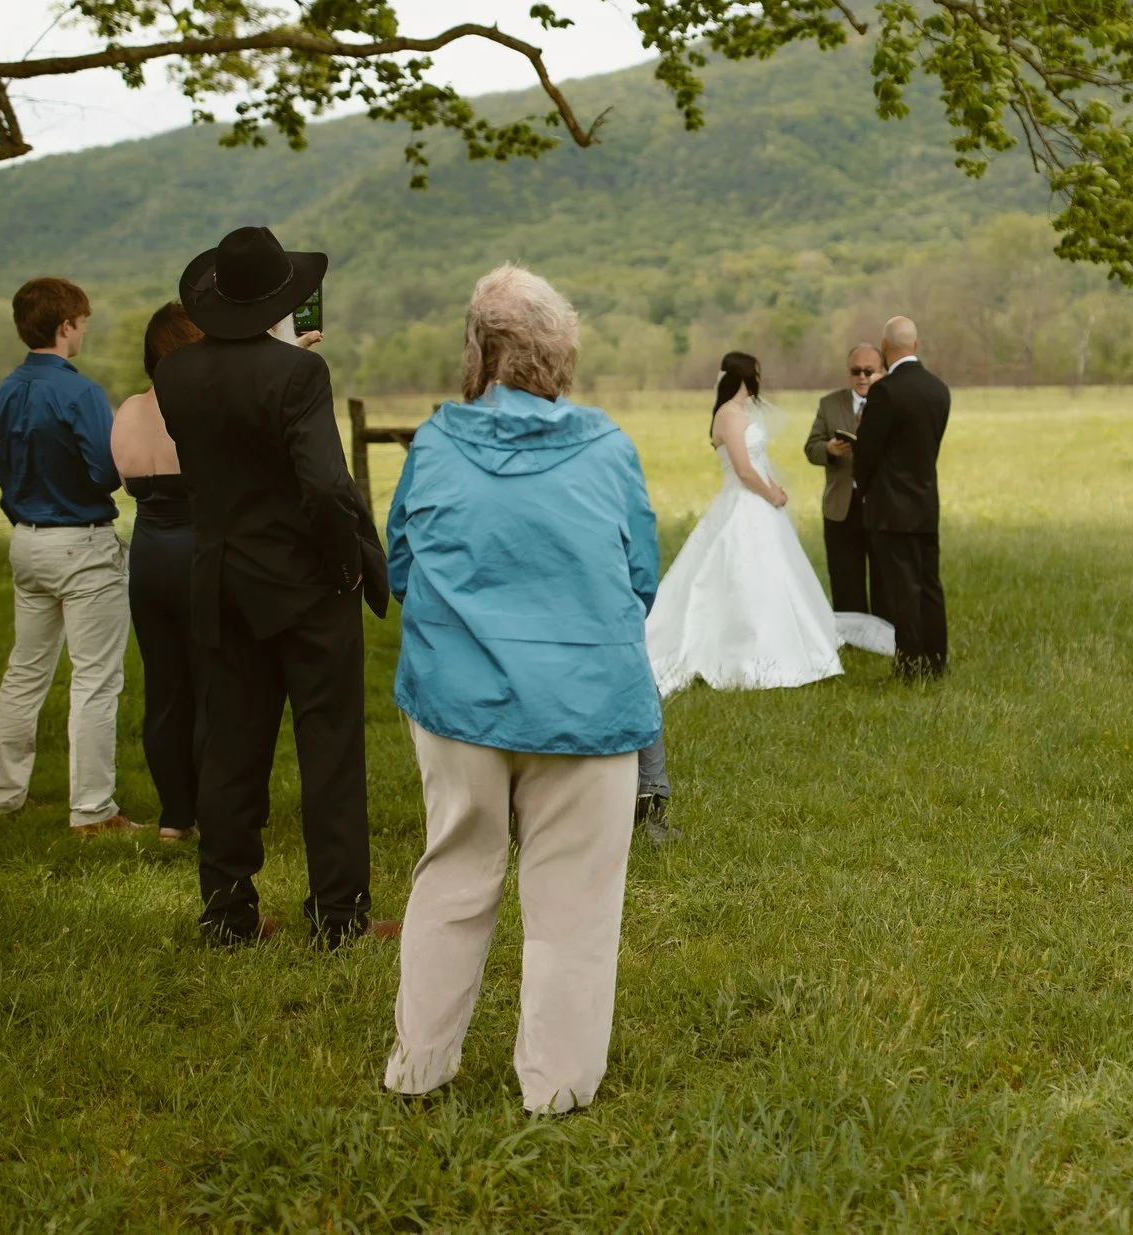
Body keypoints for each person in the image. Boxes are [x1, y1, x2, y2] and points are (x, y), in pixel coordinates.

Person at [382, 265, 660, 1111]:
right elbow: (639, 576)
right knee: (574, 904)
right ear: (560, 353)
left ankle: (419, 1069)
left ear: (478, 352)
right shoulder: (609, 449)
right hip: (588, 704)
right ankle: (558, 1088)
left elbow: (400, 565)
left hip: (460, 703)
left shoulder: (433, 442)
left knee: (453, 878)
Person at [154, 226, 390, 947]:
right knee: (329, 752)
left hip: (220, 579)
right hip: (304, 584)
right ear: (282, 301)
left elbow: (228, 449)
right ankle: (340, 916)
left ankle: (227, 914)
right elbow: (322, 483)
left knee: (230, 752)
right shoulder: (298, 375)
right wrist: (344, 561)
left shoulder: (175, 375)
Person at [0, 276, 140, 835]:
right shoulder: (81, 393)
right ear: (65, 326)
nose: (83, 331)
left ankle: (3, 797)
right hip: (80, 541)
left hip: (26, 540)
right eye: (82, 322)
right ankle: (93, 810)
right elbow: (105, 472)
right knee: (95, 680)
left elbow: (2, 469)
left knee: (24, 674)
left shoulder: (4, 391)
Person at [644, 351, 876, 700]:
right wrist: (771, 494)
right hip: (743, 503)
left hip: (760, 503)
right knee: (739, 573)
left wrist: (774, 490)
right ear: (745, 377)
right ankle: (743, 652)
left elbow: (758, 460)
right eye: (756, 373)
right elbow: (743, 470)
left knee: (777, 573)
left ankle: (792, 643)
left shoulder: (742, 412)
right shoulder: (727, 415)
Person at [112, 302, 210, 842]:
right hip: (198, 553)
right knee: (212, 687)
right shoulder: (201, 409)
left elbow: (110, 474)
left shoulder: (127, 409)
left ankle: (175, 816)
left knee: (165, 688)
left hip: (147, 555)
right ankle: (216, 809)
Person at [852, 315, 951, 679]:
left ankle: (910, 665)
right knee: (929, 584)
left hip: (890, 505)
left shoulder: (886, 391)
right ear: (916, 345)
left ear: (884, 347)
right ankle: (936, 661)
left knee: (902, 587)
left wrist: (864, 487)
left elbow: (867, 450)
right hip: (926, 501)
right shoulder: (939, 389)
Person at [803, 343, 885, 618]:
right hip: (841, 505)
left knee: (883, 575)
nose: (862, 377)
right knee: (844, 574)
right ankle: (851, 635)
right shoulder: (829, 404)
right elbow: (811, 447)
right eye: (856, 371)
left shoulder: (890, 402)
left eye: (869, 371)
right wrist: (828, 450)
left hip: (880, 503)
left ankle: (885, 632)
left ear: (882, 372)